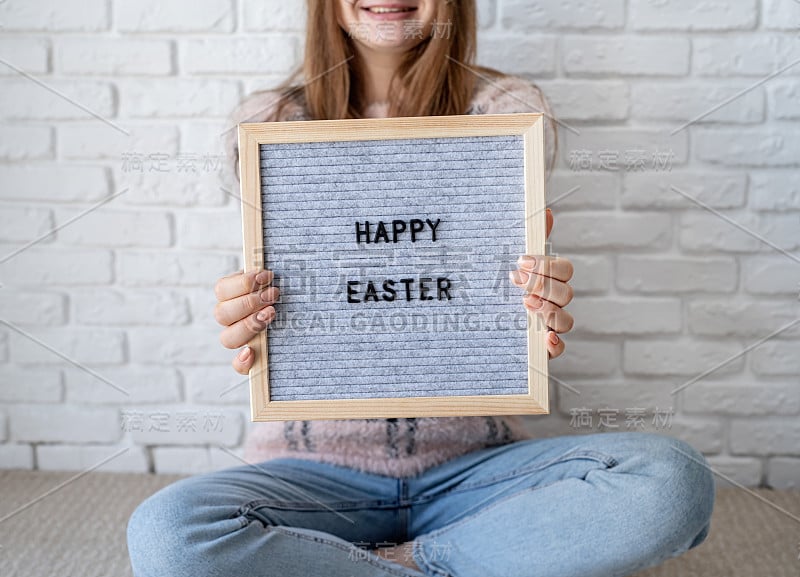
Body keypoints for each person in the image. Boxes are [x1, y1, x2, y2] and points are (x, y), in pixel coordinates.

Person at [126, 2, 715, 576]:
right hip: (307, 476)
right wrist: (244, 313)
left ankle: (403, 564)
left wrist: (539, 303)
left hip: (477, 471)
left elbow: (491, 282)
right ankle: (481, 558)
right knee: (168, 535)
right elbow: (290, 283)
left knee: (671, 482)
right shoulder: (273, 121)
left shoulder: (506, 110)